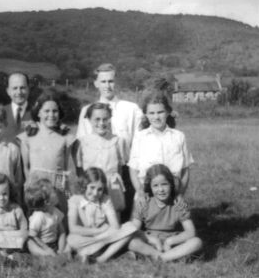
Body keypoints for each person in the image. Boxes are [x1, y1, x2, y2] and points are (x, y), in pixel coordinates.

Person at [76, 63, 143, 220]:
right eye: (103, 81)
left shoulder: (131, 109)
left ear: (116, 82)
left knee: (121, 213)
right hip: (95, 173)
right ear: (96, 84)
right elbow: (82, 144)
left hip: (124, 172)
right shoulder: (87, 111)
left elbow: (141, 141)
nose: (107, 85)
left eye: (111, 81)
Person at [128, 164, 202, 261]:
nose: (161, 190)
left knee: (197, 242)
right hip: (151, 241)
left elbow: (191, 232)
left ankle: (158, 257)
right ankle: (169, 257)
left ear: (171, 184)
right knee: (133, 243)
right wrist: (154, 240)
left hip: (173, 242)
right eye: (155, 186)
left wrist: (170, 241)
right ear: (150, 187)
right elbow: (133, 230)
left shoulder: (178, 203)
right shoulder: (144, 202)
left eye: (164, 184)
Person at [128, 92, 194, 197]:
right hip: (147, 193)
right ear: (146, 114)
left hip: (173, 192)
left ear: (168, 112)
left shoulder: (178, 137)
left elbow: (185, 169)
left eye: (160, 112)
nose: (156, 117)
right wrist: (140, 192)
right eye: (152, 113)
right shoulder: (140, 137)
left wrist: (180, 194)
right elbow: (133, 169)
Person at [17, 90, 75, 204]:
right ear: (38, 113)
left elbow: (64, 169)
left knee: (56, 217)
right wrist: (31, 188)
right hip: (35, 189)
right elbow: (26, 167)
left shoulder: (65, 137)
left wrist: (62, 192)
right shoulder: (28, 136)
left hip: (57, 188)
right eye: (46, 111)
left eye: (55, 111)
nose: (51, 115)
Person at [67, 168, 137, 263]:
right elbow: (73, 229)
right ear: (84, 185)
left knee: (131, 227)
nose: (95, 193)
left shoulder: (105, 199)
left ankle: (101, 258)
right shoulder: (74, 200)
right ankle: (105, 251)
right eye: (92, 187)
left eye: (100, 189)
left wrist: (102, 234)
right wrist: (98, 231)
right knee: (72, 239)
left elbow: (115, 226)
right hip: (84, 238)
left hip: (103, 237)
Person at [74, 103, 128, 214]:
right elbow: (79, 170)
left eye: (105, 119)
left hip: (112, 188)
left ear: (110, 119)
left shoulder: (118, 141)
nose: (101, 123)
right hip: (91, 189)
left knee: (113, 219)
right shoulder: (82, 142)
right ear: (89, 120)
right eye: (97, 119)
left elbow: (124, 168)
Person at [25, 181, 67, 256]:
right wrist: (46, 248)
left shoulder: (56, 212)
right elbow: (33, 236)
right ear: (47, 202)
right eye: (53, 192)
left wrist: (61, 249)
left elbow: (62, 232)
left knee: (67, 248)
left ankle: (54, 255)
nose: (56, 192)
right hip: (39, 244)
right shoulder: (38, 217)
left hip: (53, 243)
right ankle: (45, 255)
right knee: (31, 244)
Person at [3, 73, 32, 142]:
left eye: (22, 88)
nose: (19, 92)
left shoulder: (38, 113)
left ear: (28, 89)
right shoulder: (0, 113)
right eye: (15, 88)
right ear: (8, 91)